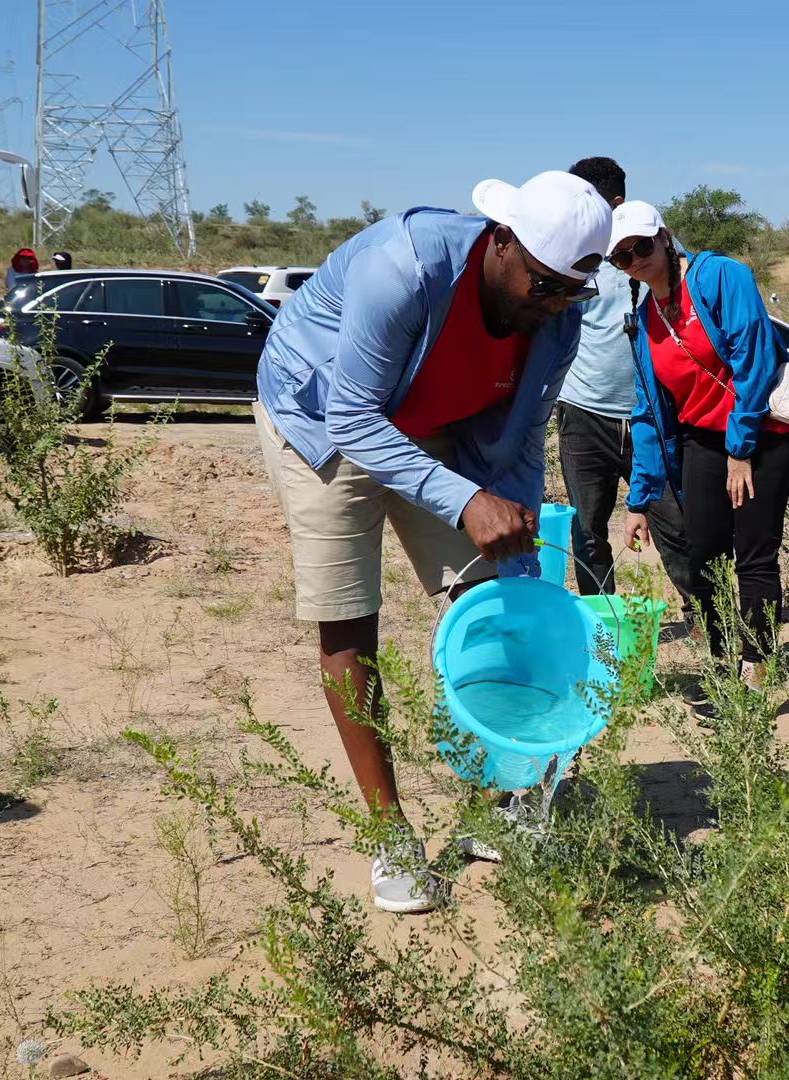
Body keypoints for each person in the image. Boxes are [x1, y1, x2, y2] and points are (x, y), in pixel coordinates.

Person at [254, 170, 610, 914]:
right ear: (501, 241)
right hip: (322, 417)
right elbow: (354, 416)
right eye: (542, 286)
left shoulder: (558, 317)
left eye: (569, 293)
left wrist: (512, 523)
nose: (550, 306)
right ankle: (390, 838)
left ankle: (494, 803)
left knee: (490, 594)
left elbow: (521, 430)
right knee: (350, 614)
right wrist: (464, 498)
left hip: (431, 427)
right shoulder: (405, 268)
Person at [617, 202, 789, 691]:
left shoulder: (723, 277)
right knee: (701, 553)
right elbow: (650, 411)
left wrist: (740, 448)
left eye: (640, 247)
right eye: (620, 257)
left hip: (763, 436)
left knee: (753, 550)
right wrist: (640, 499)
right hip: (702, 440)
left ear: (664, 238)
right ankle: (722, 661)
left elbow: (753, 361)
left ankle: (758, 663)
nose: (634, 260)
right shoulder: (646, 318)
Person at [555, 157, 691, 608]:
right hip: (584, 415)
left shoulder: (654, 248)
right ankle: (603, 630)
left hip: (651, 416)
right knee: (587, 530)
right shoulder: (571, 258)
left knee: (676, 523)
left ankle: (708, 620)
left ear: (616, 204)